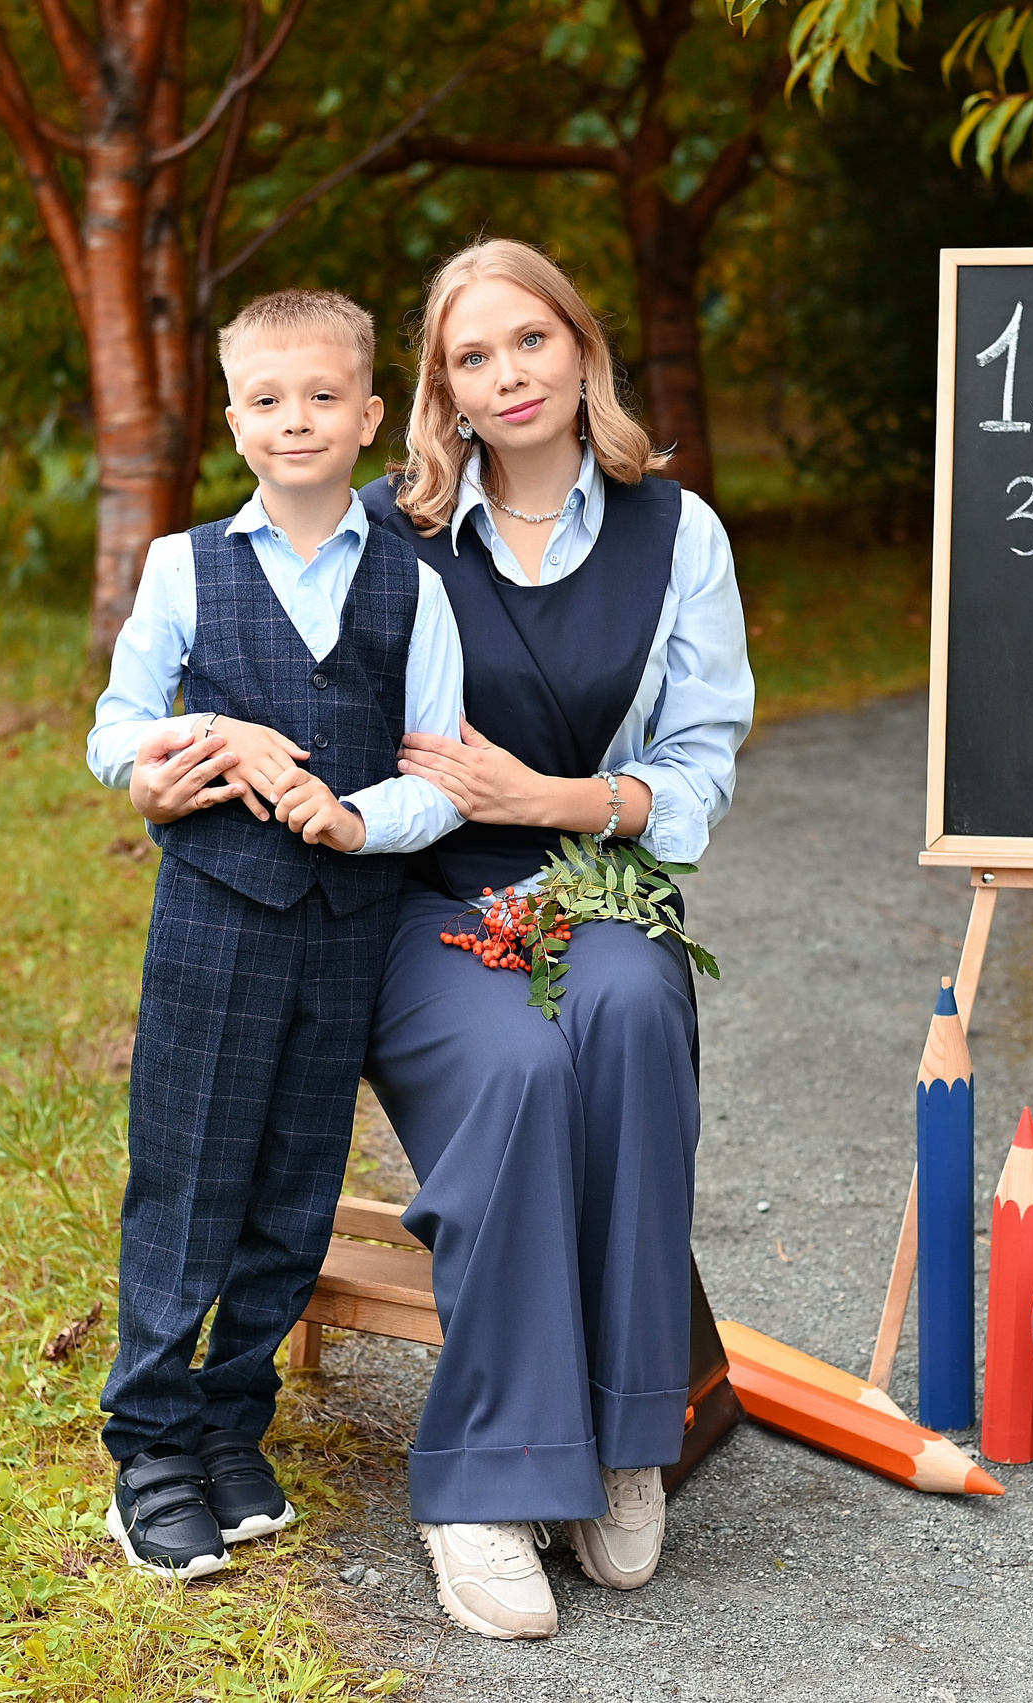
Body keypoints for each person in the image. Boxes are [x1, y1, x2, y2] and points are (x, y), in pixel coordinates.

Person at [355, 238, 753, 1641]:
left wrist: (558, 801)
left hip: (598, 880)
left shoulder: (674, 533)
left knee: (635, 1016)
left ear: (583, 352)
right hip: (421, 899)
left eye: (530, 341)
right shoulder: (382, 533)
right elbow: (247, 641)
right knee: (520, 1069)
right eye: (473, 356)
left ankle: (629, 1433)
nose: (507, 375)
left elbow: (699, 766)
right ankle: (487, 1478)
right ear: (441, 391)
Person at [85, 290, 464, 1580]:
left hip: (344, 923)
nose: (293, 420)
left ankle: (234, 1422)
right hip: (213, 917)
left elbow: (443, 770)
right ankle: (150, 1441)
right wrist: (186, 747)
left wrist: (356, 821)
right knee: (190, 1171)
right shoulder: (189, 565)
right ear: (235, 423)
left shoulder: (418, 580)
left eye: (322, 398)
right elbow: (114, 724)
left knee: (296, 1179)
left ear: (370, 416)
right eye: (265, 400)